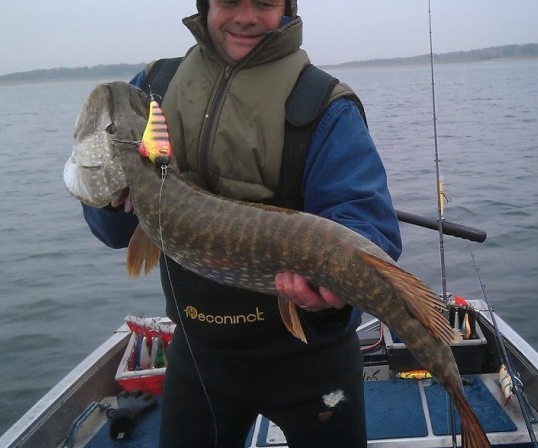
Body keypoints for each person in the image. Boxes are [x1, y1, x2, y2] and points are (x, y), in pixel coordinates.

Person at [81, 1, 402, 447]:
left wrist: (330, 293)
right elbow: (113, 232)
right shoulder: (153, 91)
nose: (245, 16)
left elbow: (368, 226)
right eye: (230, 0)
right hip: (199, 358)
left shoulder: (324, 104)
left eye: (264, 2)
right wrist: (113, 201)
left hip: (313, 360)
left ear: (286, 6)